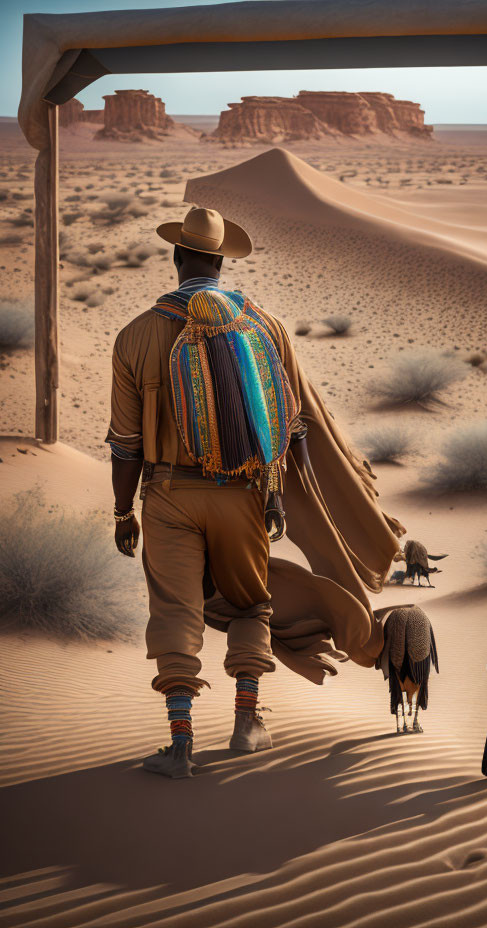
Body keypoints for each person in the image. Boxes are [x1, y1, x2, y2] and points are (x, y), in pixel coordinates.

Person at [106, 206, 305, 778]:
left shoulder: (136, 335)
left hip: (168, 495)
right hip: (243, 492)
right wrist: (279, 495)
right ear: (221, 261)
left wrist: (124, 512)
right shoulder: (263, 325)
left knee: (175, 611)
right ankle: (247, 725)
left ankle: (180, 743)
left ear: (177, 257)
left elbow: (125, 445)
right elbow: (291, 425)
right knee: (249, 602)